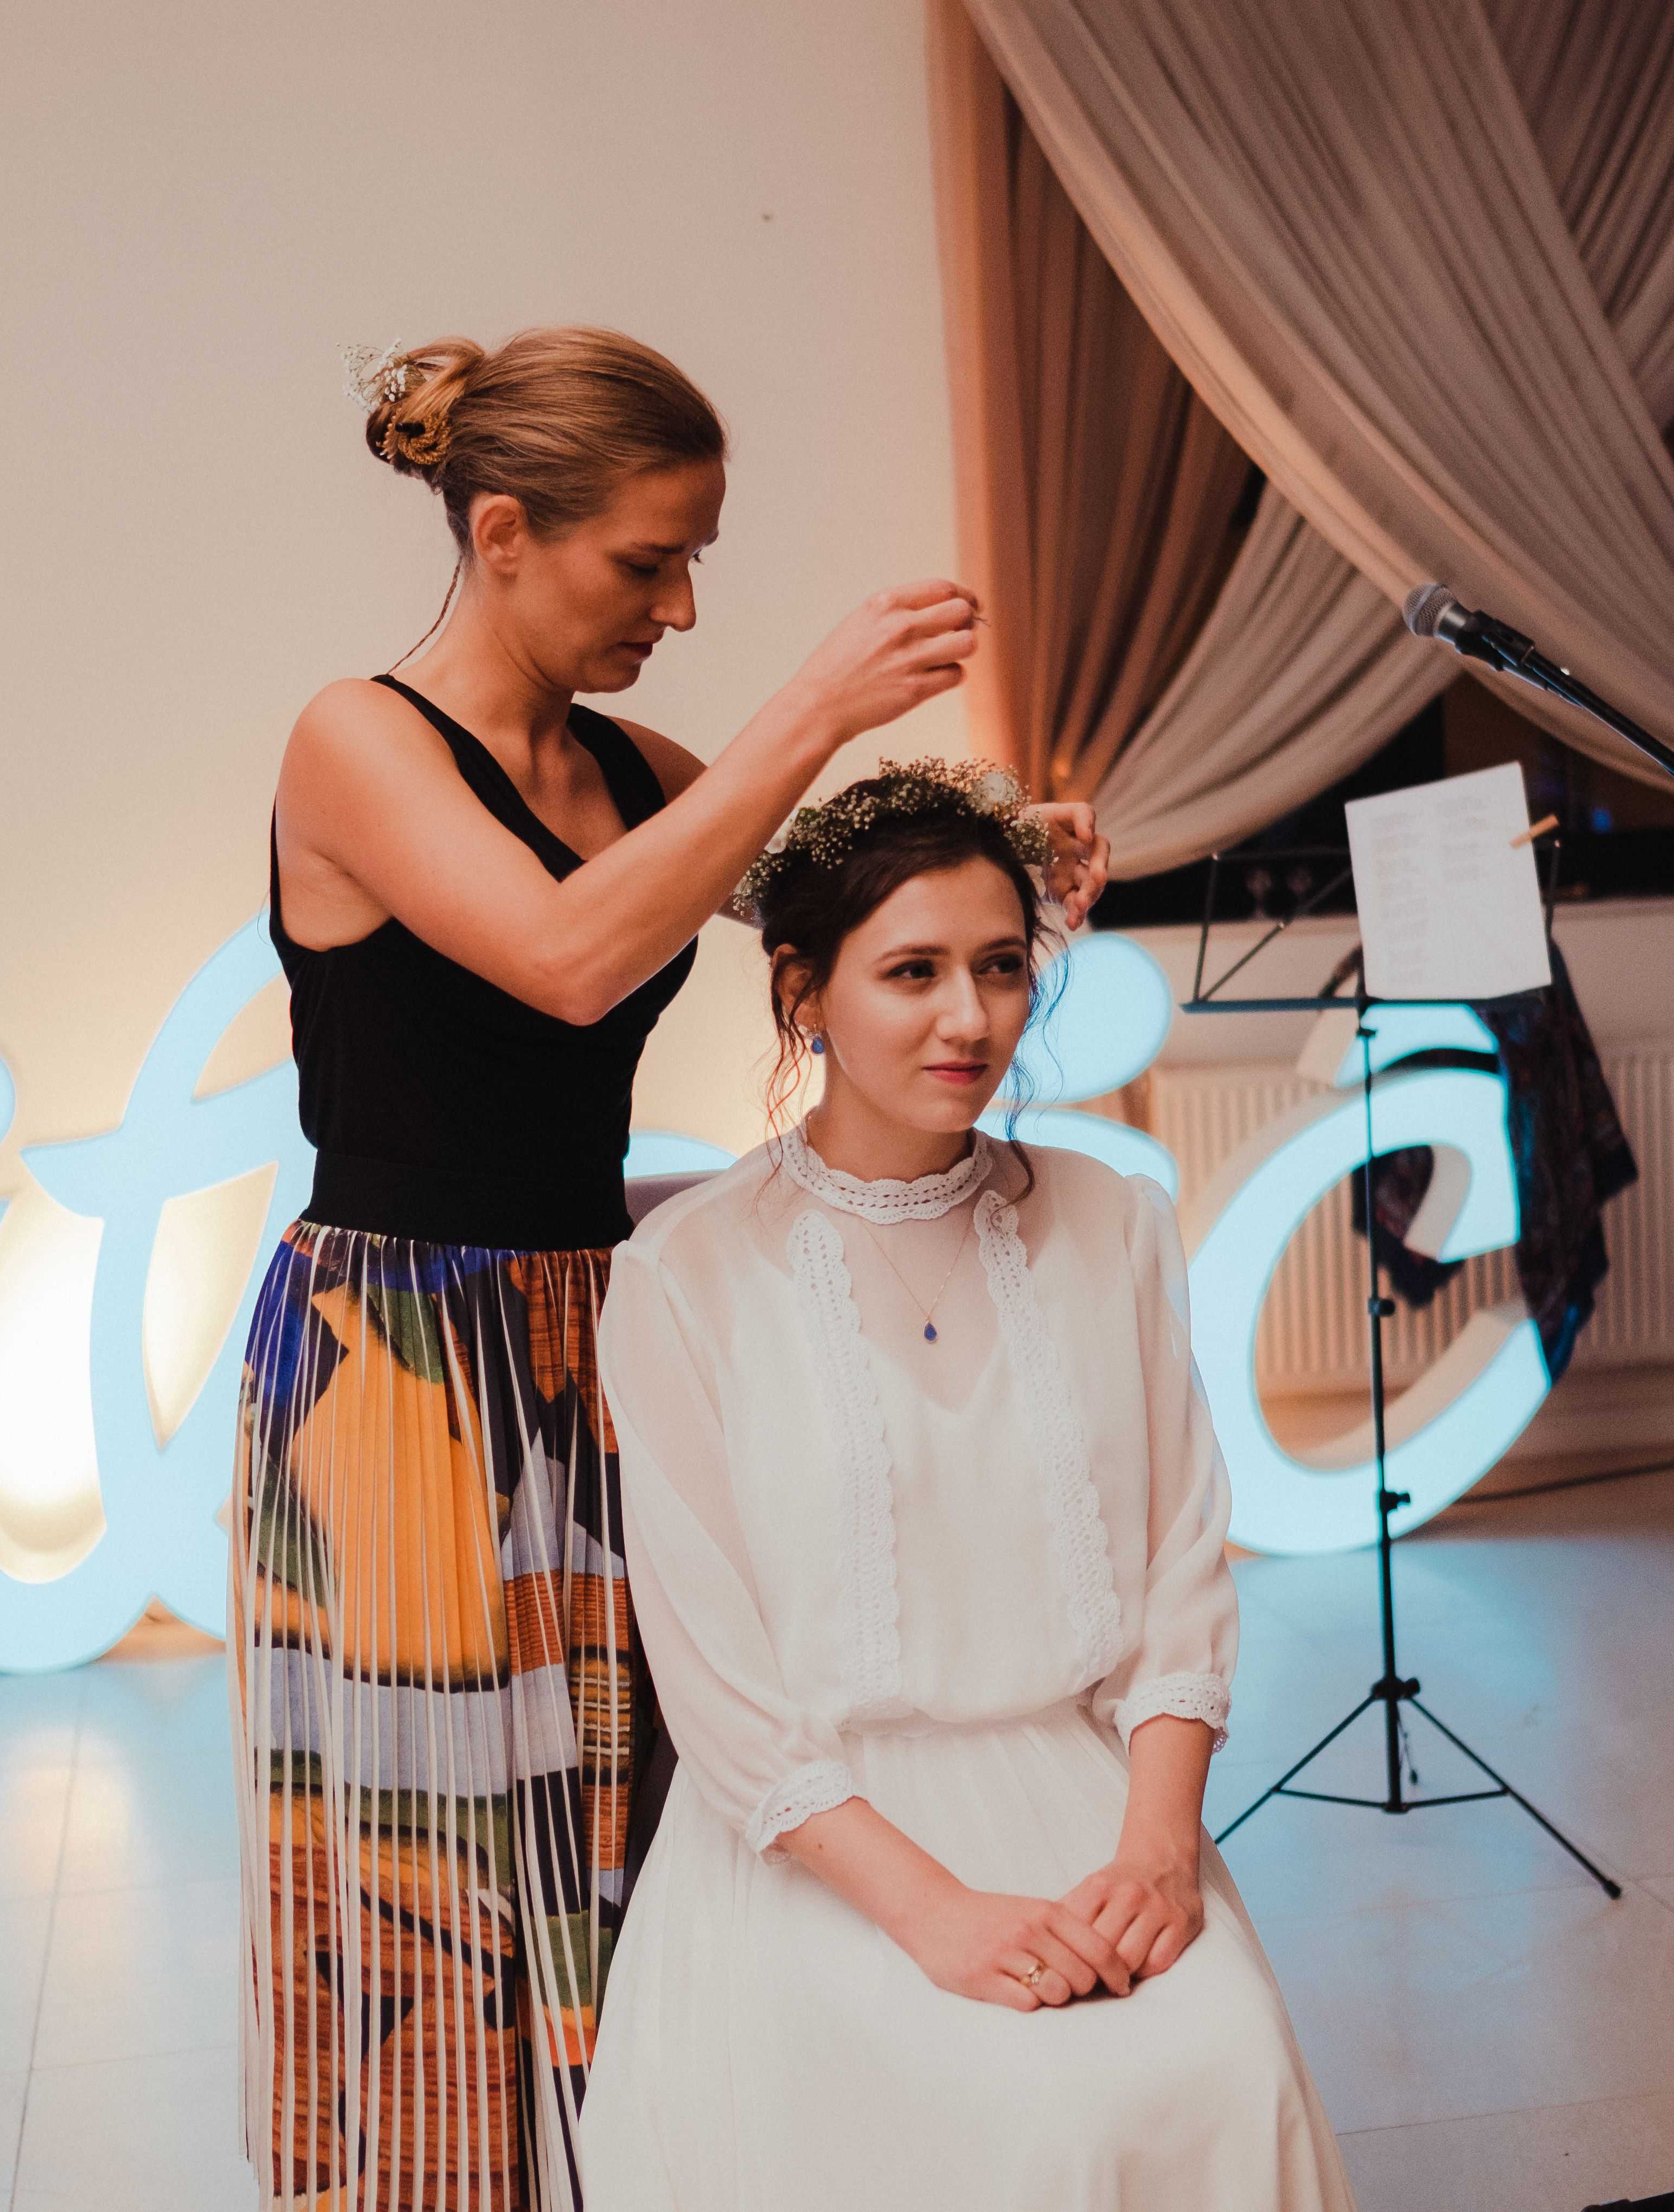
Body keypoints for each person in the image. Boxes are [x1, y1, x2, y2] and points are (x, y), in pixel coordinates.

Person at [233, 328, 1108, 2211]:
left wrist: (1005, 865)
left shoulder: (634, 769)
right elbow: (567, 956)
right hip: (404, 1359)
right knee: (442, 1869)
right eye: (650, 561)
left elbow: (826, 905)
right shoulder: (354, 740)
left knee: (641, 1811)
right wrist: (817, 708)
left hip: (604, 1326)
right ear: (502, 533)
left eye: (697, 559)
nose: (683, 607)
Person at [578, 764, 1352, 2210]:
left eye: (1001, 966)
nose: (971, 1018)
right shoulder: (685, 1275)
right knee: (1035, 2121)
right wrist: (934, 1916)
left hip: (1091, 1798)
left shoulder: (1114, 1220)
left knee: (1228, 2063)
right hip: (824, 1840)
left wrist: (1161, 1852)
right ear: (803, 993)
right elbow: (718, 1683)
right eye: (913, 971)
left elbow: (1184, 1572)